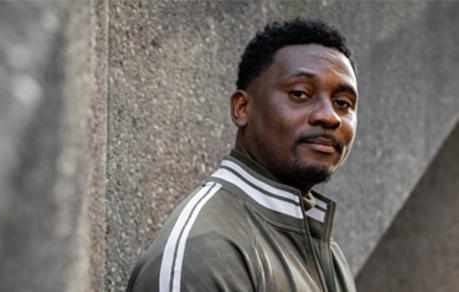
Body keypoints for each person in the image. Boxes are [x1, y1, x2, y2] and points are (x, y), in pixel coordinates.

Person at [127, 18, 358, 292]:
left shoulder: (325, 251)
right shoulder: (202, 251)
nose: (329, 116)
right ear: (242, 108)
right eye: (300, 94)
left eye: (342, 103)